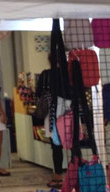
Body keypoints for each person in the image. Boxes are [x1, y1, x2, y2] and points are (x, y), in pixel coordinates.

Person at [36, 55, 64, 189]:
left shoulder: (45, 75)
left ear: (49, 60)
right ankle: (74, 174)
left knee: (56, 146)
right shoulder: (66, 74)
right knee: (71, 144)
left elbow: (38, 93)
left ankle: (57, 176)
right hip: (66, 112)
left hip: (51, 113)